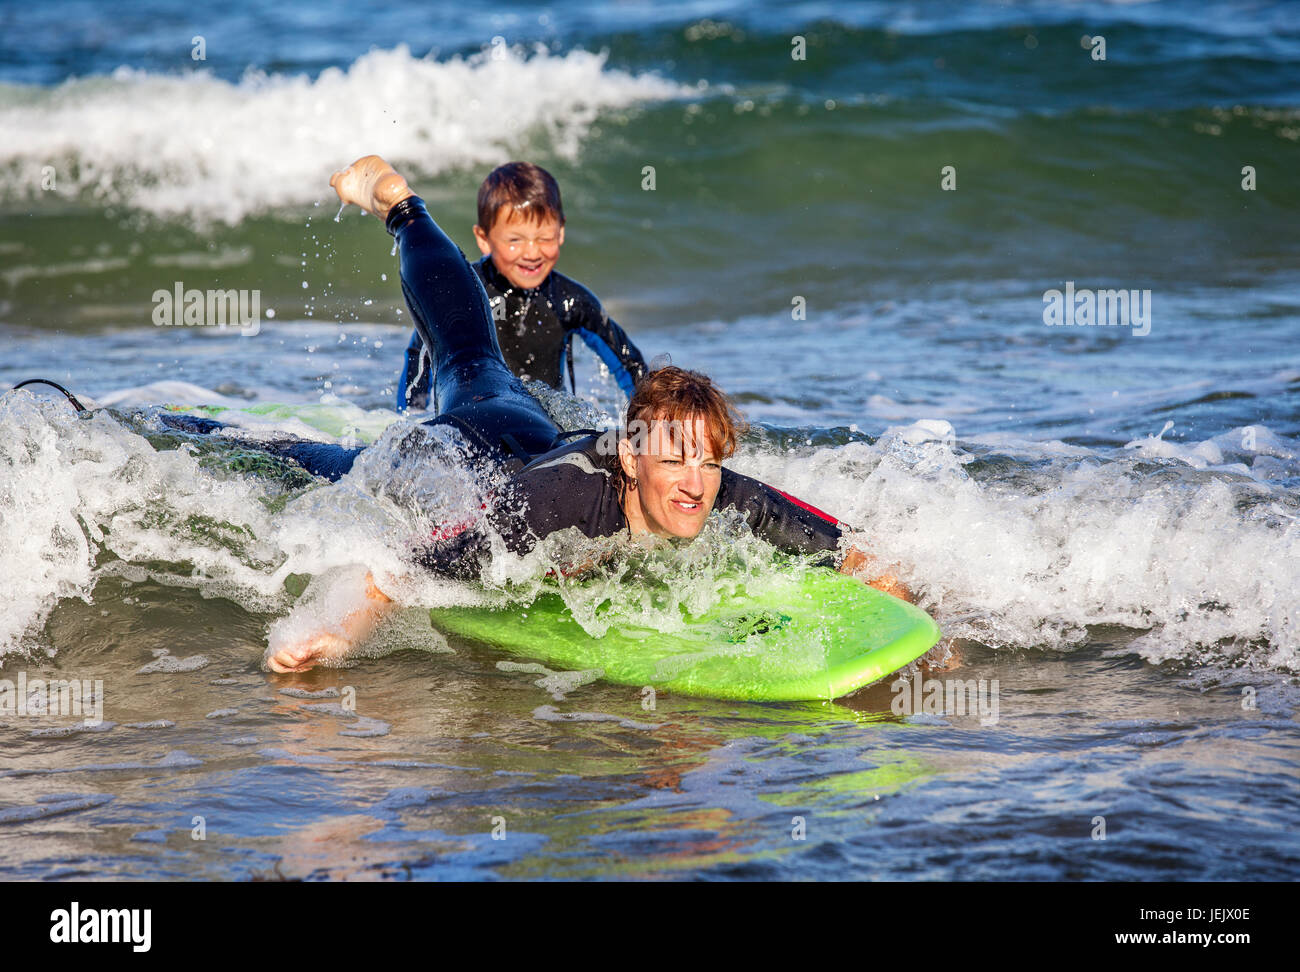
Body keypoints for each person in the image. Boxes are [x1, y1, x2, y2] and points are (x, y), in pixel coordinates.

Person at [264, 156, 910, 674]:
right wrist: (337, 637)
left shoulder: (705, 486)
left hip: (538, 427)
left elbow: (849, 548)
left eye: (709, 462)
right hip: (466, 438)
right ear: (632, 456)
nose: (695, 482)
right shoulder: (551, 505)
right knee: (451, 360)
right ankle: (401, 204)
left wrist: (912, 623)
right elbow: (406, 571)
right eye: (678, 460)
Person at [397, 161, 647, 412]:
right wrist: (411, 418)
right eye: (515, 240)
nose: (531, 253)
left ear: (560, 232)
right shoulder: (465, 291)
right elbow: (420, 357)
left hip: (548, 429)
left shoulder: (570, 300)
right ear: (484, 239)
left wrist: (647, 418)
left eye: (544, 238)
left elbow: (627, 361)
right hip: (476, 416)